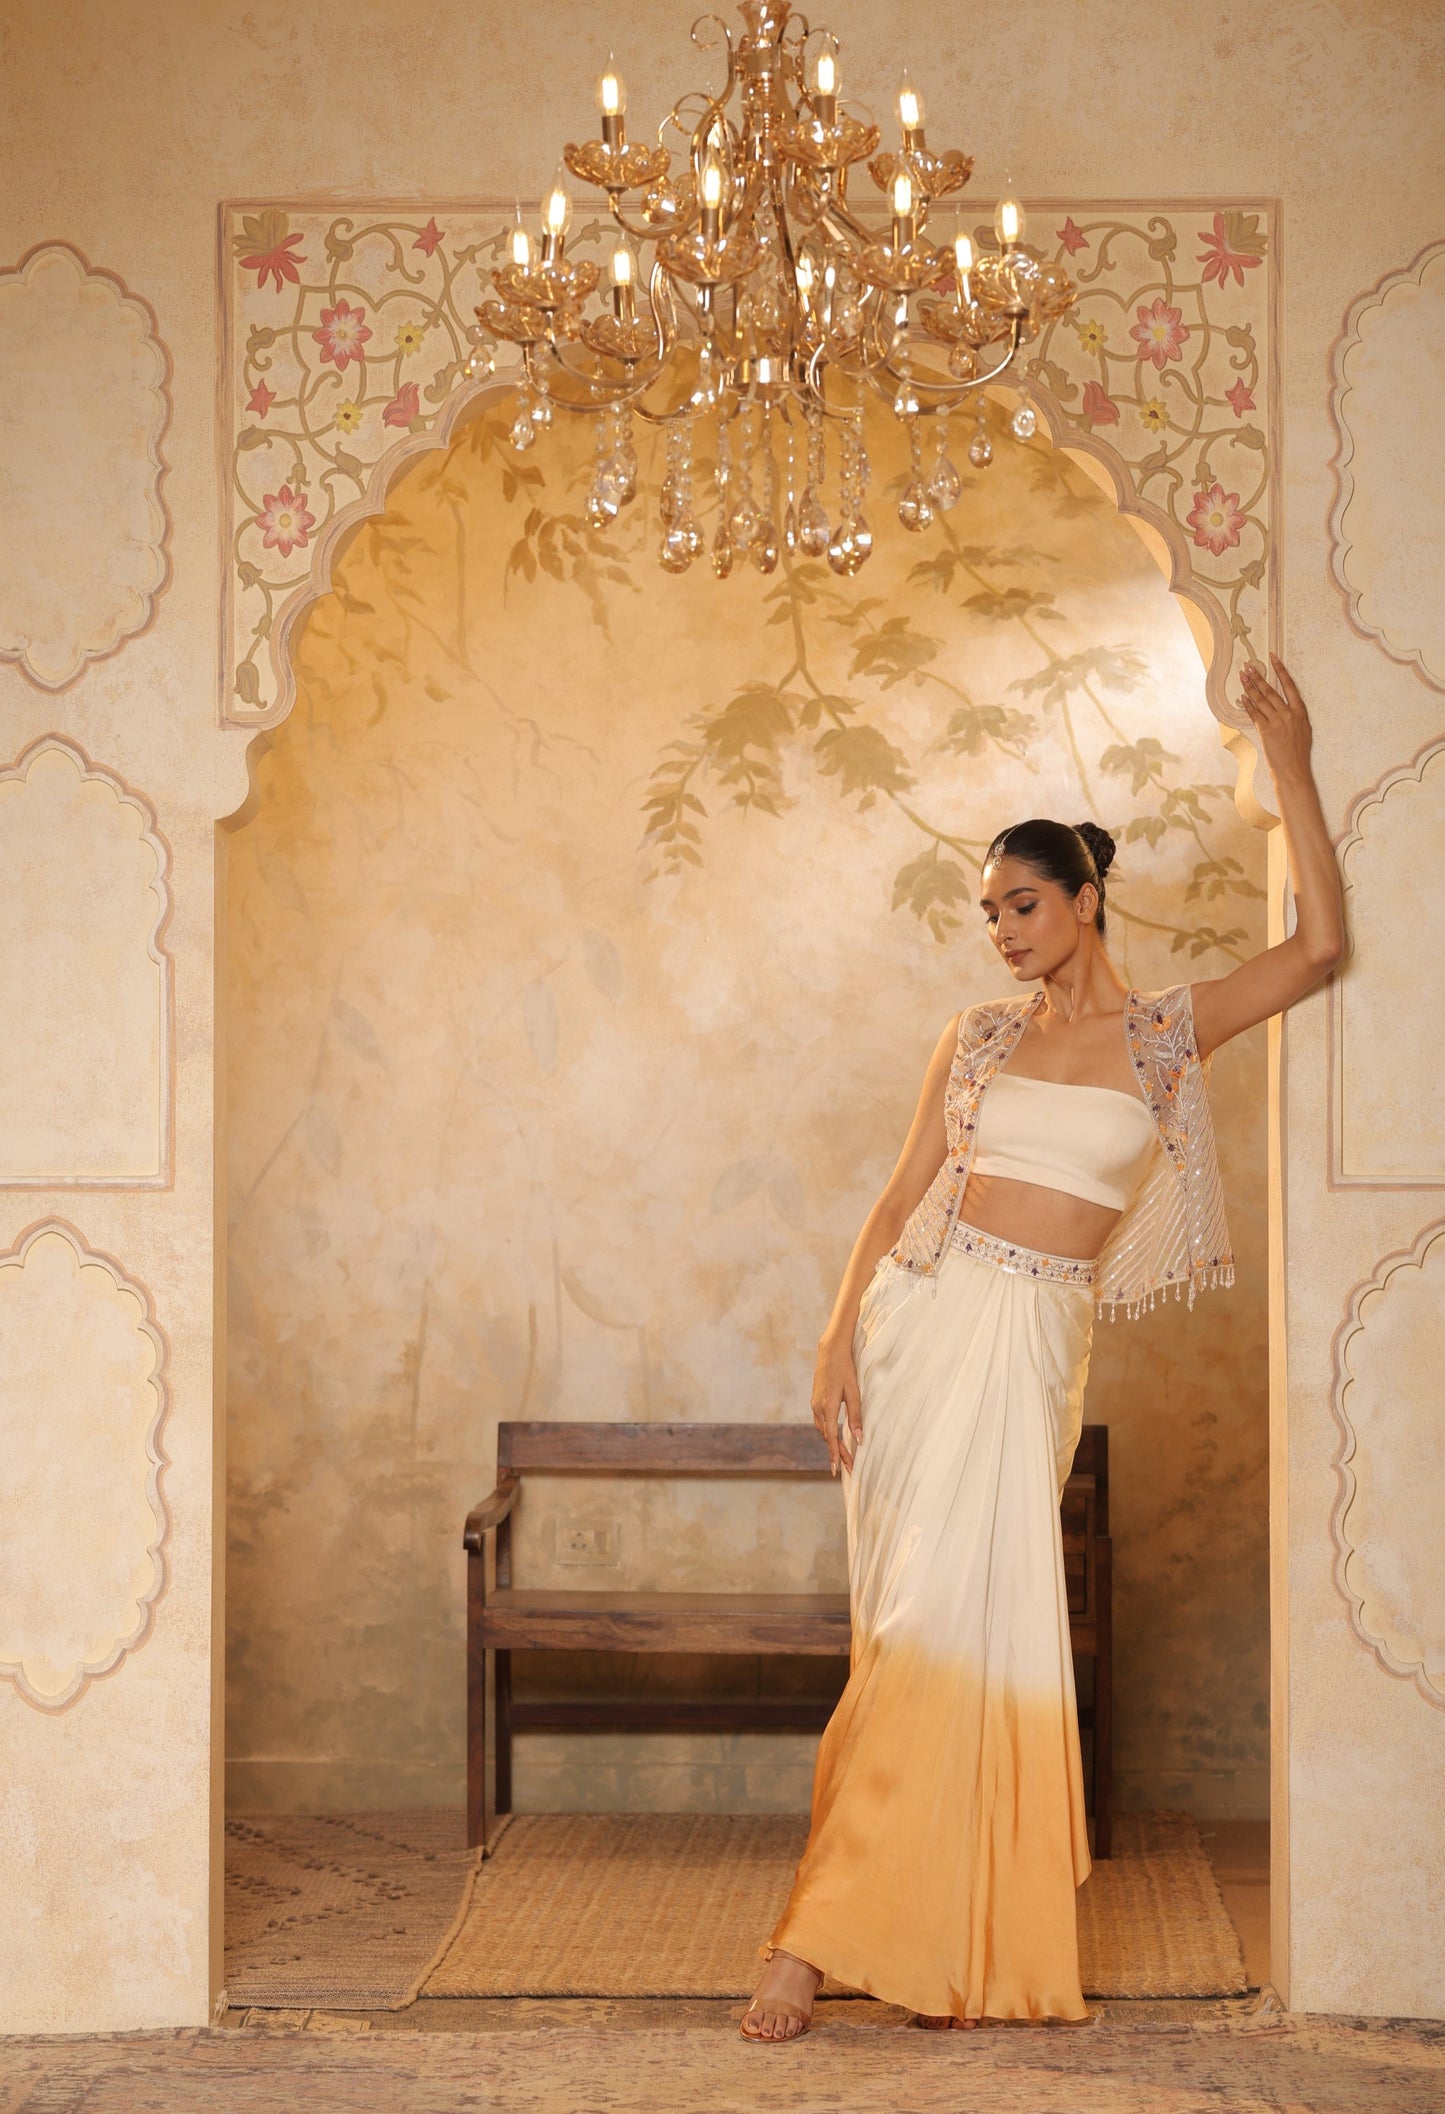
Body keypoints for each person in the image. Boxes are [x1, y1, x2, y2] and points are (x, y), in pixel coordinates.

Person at [740, 656, 1344, 2041]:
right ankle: (812, 1935)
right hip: (920, 1327)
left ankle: (938, 1928)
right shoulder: (973, 1037)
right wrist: (836, 1338)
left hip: (1029, 1348)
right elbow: (895, 1199)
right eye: (988, 912)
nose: (1000, 930)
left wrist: (1290, 765)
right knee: (907, 1632)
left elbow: (1316, 949)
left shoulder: (1159, 1038)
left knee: (979, 1633)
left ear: (1083, 899)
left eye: (1021, 903)